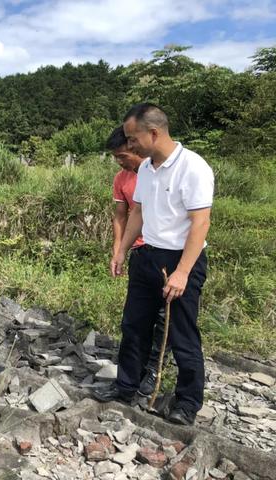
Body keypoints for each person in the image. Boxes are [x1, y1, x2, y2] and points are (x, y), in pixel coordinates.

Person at [95, 103, 214, 426]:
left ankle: (187, 403)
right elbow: (138, 212)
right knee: (134, 325)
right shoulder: (146, 169)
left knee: (182, 333)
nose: (129, 144)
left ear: (154, 133)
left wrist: (183, 271)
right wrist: (121, 250)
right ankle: (126, 386)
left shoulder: (193, 167)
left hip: (180, 259)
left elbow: (200, 222)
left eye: (133, 138)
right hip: (146, 255)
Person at [106, 126, 171, 397]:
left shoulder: (159, 172)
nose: (120, 162)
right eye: (116, 158)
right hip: (139, 252)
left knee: (164, 317)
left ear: (136, 147)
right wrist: (118, 250)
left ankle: (156, 369)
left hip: (167, 252)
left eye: (123, 155)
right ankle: (132, 375)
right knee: (136, 318)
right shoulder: (122, 179)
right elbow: (121, 216)